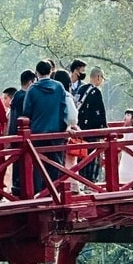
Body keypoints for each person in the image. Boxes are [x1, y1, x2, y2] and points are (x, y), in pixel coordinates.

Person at [22, 59, 71, 193]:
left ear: (37, 73)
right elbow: (63, 109)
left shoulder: (32, 89)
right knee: (55, 164)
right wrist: (62, 128)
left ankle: (39, 194)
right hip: (56, 132)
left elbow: (27, 111)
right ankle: (53, 193)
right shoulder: (59, 87)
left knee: (38, 166)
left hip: (37, 133)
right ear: (51, 71)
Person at [75, 67, 108, 182]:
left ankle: (81, 180)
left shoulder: (81, 89)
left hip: (80, 130)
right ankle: (90, 181)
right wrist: (104, 130)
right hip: (93, 132)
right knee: (92, 157)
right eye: (102, 78)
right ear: (98, 77)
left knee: (81, 157)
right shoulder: (96, 92)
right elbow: (100, 113)